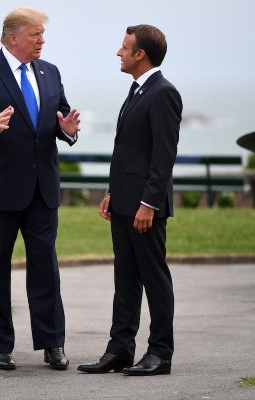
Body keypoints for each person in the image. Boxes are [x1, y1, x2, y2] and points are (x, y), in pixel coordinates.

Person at [0, 7, 80, 370]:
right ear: (13, 38)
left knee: (46, 267)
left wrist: (68, 130)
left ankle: (52, 344)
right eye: (36, 34)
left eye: (42, 35)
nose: (42, 40)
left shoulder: (50, 72)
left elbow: (59, 116)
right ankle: (0, 346)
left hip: (43, 190)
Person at [77, 24, 182, 376]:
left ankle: (160, 353)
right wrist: (113, 192)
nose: (118, 52)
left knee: (154, 278)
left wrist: (149, 204)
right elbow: (129, 151)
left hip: (145, 208)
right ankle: (120, 349)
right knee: (125, 278)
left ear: (141, 55)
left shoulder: (163, 93)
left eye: (124, 48)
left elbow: (163, 156)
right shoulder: (138, 90)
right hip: (124, 202)